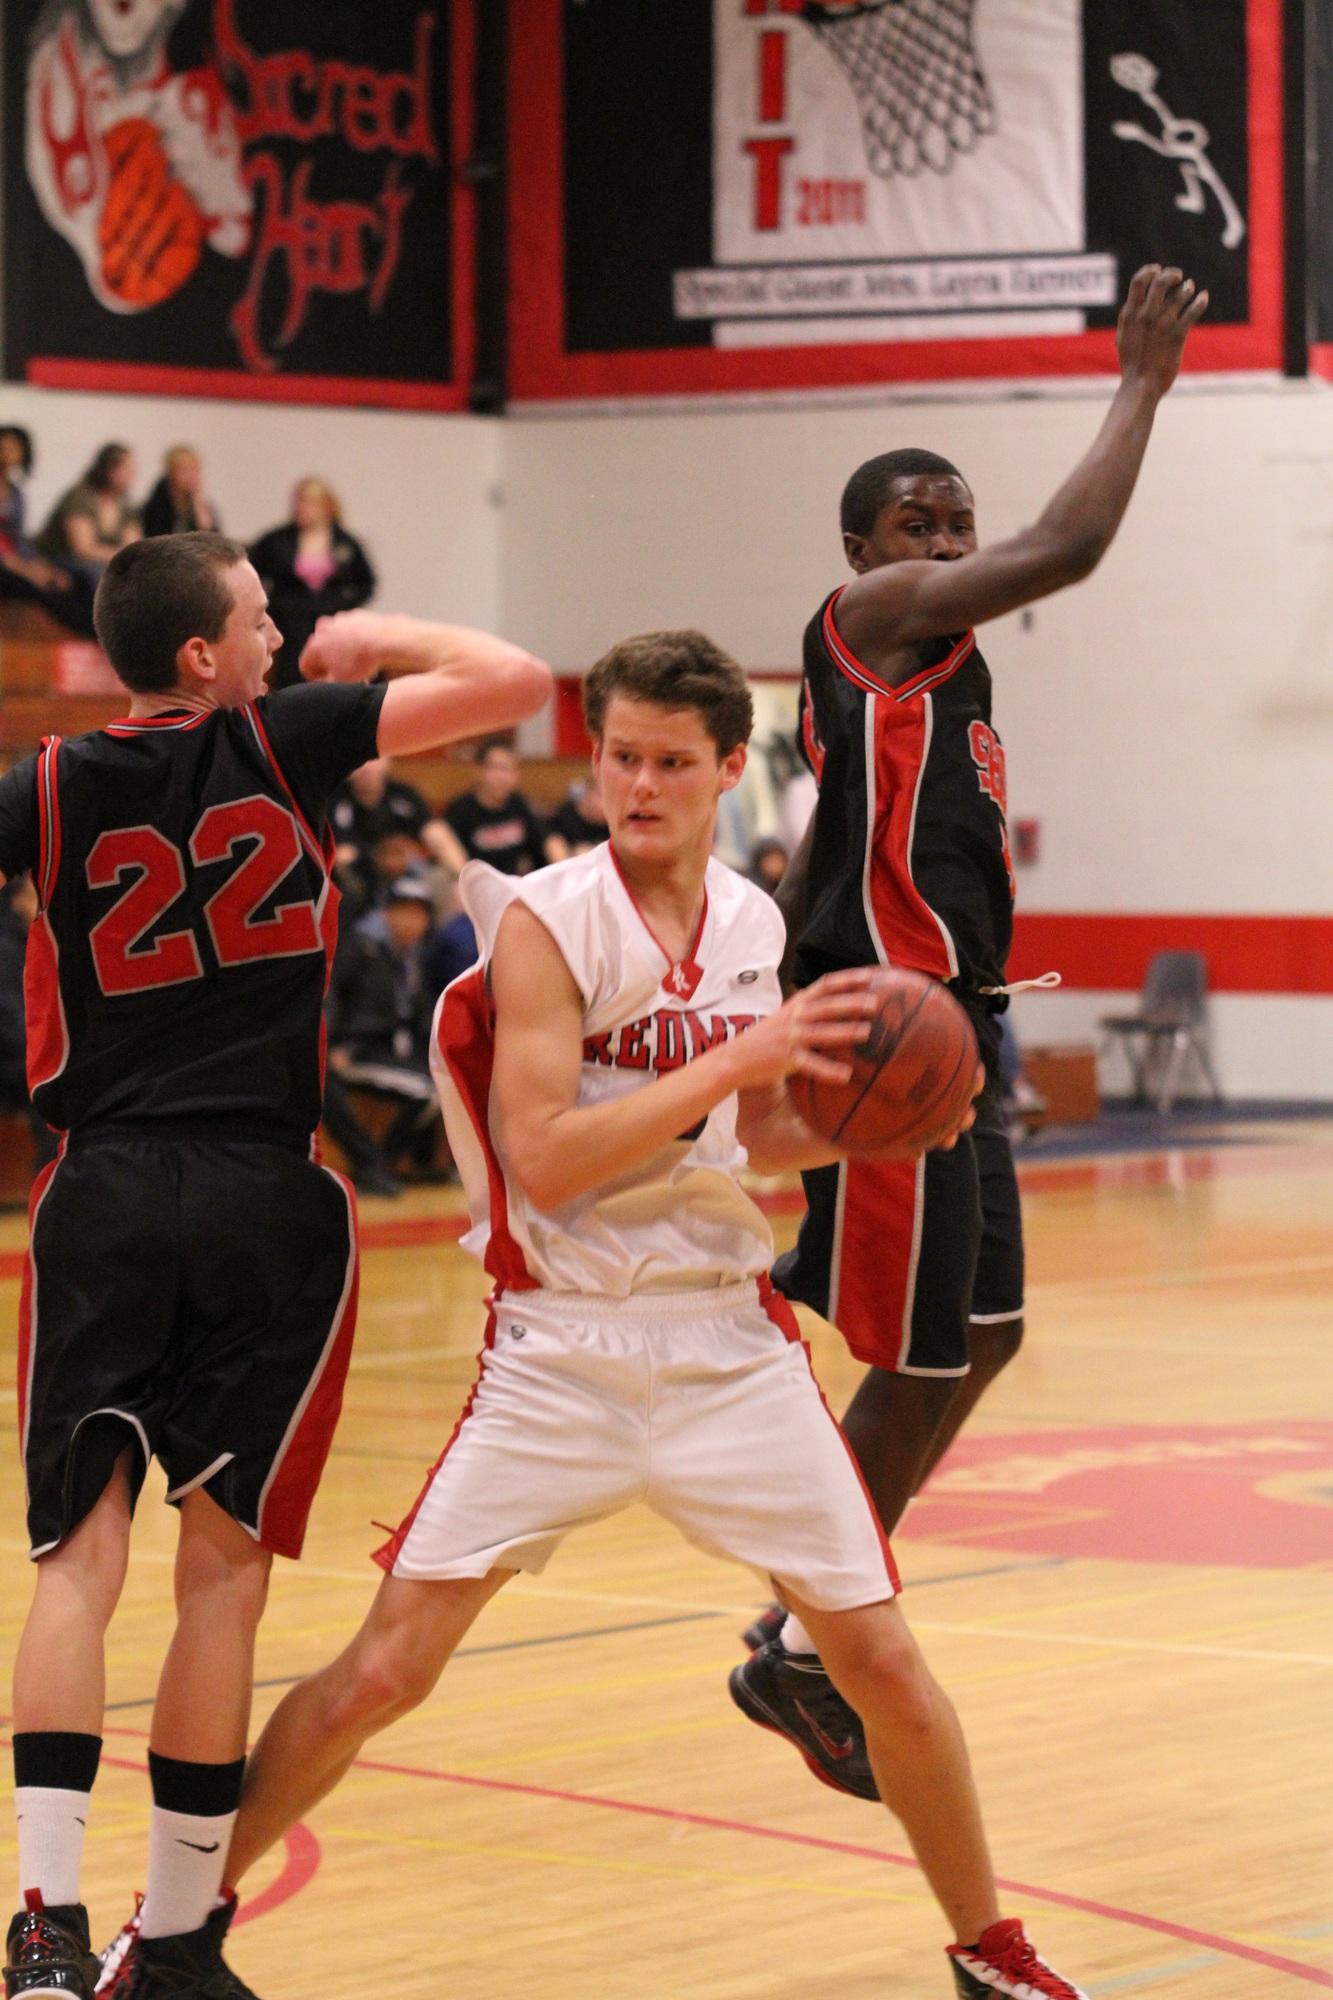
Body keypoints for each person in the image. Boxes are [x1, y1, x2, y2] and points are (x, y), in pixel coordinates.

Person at [201, 629, 1087, 2000]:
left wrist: (880, 1128)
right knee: (386, 1670)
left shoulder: (751, 923)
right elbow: (548, 1155)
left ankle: (991, 1946)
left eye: (671, 762)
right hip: (561, 1349)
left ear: (730, 767)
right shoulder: (545, 921)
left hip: (728, 1344)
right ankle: (176, 1926)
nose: (637, 785)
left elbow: (749, 1134)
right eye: (618, 757)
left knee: (879, 1663)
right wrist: (742, 1058)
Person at [0, 544, 550, 2000]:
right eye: (259, 621)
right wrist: (372, 632)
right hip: (266, 1191)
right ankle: (177, 1935)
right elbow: (516, 682)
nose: (277, 639)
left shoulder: (44, 786)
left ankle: (43, 1926)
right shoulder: (285, 736)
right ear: (202, 655)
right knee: (221, 1574)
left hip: (103, 1188)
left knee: (77, 1563)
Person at [733, 267, 1209, 1782]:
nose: (944, 545)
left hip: (953, 1032)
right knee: (924, 1353)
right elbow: (1066, 547)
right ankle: (803, 1646)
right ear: (860, 553)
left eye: (957, 522)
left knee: (985, 1338)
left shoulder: (933, 674)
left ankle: (804, 1632)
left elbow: (829, 835)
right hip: (893, 1037)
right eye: (916, 524)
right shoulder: (870, 619)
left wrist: (766, 958)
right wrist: (1139, 385)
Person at [323, 876, 442, 1196]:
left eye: (420, 914)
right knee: (426, 1093)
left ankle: (384, 1165)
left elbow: (420, 1014)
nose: (413, 922)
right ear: (387, 912)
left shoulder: (412, 957)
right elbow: (330, 992)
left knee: (443, 1086)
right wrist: (332, 1044)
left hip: (391, 1050)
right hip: (356, 1049)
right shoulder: (362, 946)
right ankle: (374, 1166)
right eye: (404, 911)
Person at [248, 478, 376, 691]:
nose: (302, 509)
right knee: (293, 667)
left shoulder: (346, 543)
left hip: (332, 617)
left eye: (309, 503)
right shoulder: (276, 541)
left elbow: (366, 583)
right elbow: (251, 574)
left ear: (326, 506)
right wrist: (273, 604)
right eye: (299, 502)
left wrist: (345, 603)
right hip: (290, 620)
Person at [0, 428, 95, 637]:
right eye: (3, 447)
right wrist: (25, 569)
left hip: (16, 560)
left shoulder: (16, 494)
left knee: (73, 581)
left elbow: (19, 540)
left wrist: (43, 566)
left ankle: (91, 635)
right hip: (5, 567)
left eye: (14, 449)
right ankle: (87, 633)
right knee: (38, 589)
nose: (7, 454)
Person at [439, 737, 556, 875]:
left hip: (511, 881)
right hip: (472, 880)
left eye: (509, 769)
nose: (502, 777)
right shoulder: (460, 809)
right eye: (495, 768)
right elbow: (448, 857)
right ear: (478, 770)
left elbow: (547, 840)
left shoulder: (520, 804)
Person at [35, 443, 140, 589]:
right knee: (102, 576)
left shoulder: (124, 504)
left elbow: (133, 546)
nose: (132, 474)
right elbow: (82, 548)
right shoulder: (81, 497)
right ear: (108, 469)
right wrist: (121, 556)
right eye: (126, 468)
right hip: (60, 558)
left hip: (102, 560)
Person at [141, 447, 219, 539]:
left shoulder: (201, 505)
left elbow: (212, 538)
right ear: (171, 473)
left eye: (195, 469)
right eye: (184, 470)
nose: (191, 476)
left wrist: (198, 503)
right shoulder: (155, 509)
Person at [547, 770, 609, 855]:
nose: (609, 805)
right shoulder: (562, 820)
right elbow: (556, 853)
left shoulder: (613, 826)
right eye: (603, 796)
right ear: (588, 793)